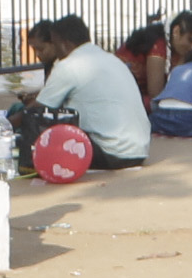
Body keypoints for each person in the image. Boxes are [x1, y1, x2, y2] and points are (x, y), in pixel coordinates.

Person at [16, 12, 151, 168]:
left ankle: (28, 166)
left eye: (55, 43)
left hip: (109, 153)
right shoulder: (111, 59)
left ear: (64, 44)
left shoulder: (68, 65)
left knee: (41, 127)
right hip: (139, 151)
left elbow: (36, 109)